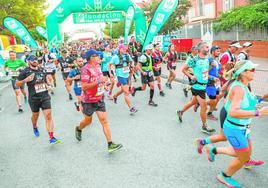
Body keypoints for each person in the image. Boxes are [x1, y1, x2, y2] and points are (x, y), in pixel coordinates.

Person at [204, 60, 268, 188]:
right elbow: (233, 112)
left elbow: (243, 101)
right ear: (243, 72)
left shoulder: (244, 86)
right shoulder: (238, 88)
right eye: (252, 69)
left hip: (243, 128)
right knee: (244, 157)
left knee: (245, 153)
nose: (254, 72)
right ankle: (224, 175)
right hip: (235, 128)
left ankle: (213, 149)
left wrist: (259, 100)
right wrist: (258, 112)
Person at [75, 49, 123, 153]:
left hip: (99, 98)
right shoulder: (85, 69)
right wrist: (98, 81)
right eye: (97, 56)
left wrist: (105, 85)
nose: (99, 57)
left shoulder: (98, 66)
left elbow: (100, 78)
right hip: (88, 100)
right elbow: (84, 87)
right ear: (91, 58)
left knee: (104, 121)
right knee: (88, 121)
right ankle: (79, 128)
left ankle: (110, 144)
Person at [16, 55, 61, 144]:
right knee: (35, 116)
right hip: (34, 99)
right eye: (32, 60)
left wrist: (49, 86)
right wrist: (26, 80)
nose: (35, 61)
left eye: (36, 59)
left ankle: (51, 137)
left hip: (45, 97)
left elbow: (45, 81)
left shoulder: (42, 69)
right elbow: (17, 84)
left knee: (48, 116)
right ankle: (34, 126)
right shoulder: (25, 72)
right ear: (28, 61)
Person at [177, 42, 215, 134]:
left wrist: (212, 74)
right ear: (201, 49)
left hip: (203, 85)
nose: (208, 48)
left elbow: (205, 72)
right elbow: (183, 69)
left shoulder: (207, 59)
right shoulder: (195, 59)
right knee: (204, 106)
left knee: (193, 102)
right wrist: (191, 76)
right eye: (206, 47)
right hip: (197, 86)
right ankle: (204, 126)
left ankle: (180, 112)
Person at [110, 44, 138, 115]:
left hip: (127, 75)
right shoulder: (115, 57)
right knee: (126, 92)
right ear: (120, 49)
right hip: (120, 76)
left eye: (125, 49)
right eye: (123, 49)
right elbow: (109, 65)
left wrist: (132, 66)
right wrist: (110, 73)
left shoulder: (127, 55)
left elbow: (132, 62)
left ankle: (114, 96)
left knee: (123, 90)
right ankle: (131, 108)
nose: (125, 50)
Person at [206, 46, 221, 120]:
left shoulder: (216, 61)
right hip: (210, 83)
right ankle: (209, 113)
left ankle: (201, 103)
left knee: (217, 98)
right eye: (217, 51)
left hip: (216, 83)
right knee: (213, 100)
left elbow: (216, 72)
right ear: (212, 52)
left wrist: (219, 75)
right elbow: (204, 73)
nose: (219, 52)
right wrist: (213, 78)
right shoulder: (209, 60)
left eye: (219, 51)